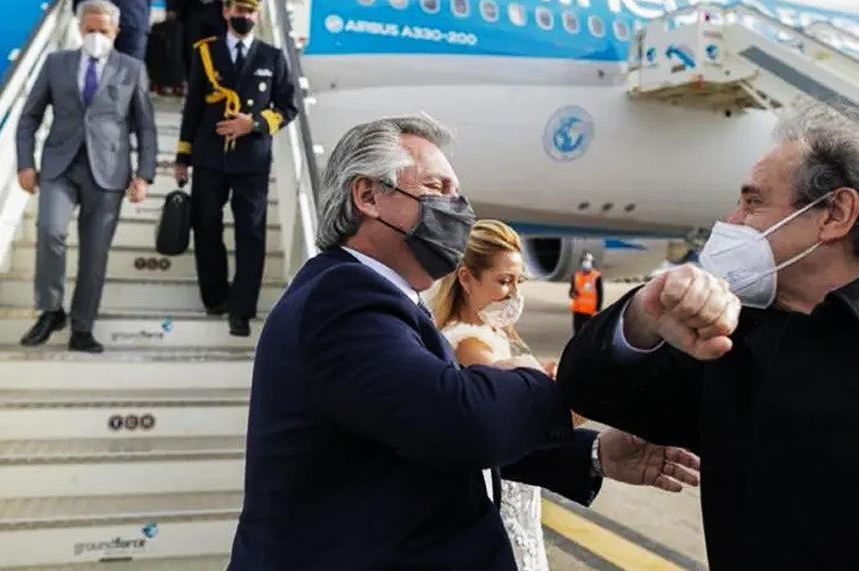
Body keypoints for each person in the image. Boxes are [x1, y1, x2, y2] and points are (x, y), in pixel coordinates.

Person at [228, 115, 701, 570]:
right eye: (437, 188)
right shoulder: (343, 297)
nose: (459, 209)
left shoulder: (377, 296)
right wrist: (547, 386)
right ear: (368, 196)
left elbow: (414, 436)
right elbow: (457, 423)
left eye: (458, 193)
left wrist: (594, 453)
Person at [558, 105, 859, 570]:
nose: (732, 220)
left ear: (835, 214)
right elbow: (590, 388)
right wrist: (643, 317)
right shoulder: (735, 335)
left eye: (753, 203)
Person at [15, 0, 157, 353]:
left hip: (108, 170)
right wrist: (25, 163)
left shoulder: (132, 68)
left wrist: (144, 175)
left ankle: (82, 326)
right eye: (90, 30)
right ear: (80, 29)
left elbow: (145, 127)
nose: (96, 36)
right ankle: (50, 309)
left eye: (103, 31)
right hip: (59, 165)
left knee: (95, 253)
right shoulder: (55, 63)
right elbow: (30, 116)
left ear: (116, 31)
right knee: (50, 231)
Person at [173, 0, 296, 337]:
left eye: (250, 10)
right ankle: (215, 297)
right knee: (206, 226)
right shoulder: (205, 52)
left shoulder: (272, 57)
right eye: (238, 9)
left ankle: (242, 309)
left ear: (258, 15)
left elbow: (288, 107)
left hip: (251, 162)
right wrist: (183, 155)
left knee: (251, 235)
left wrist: (254, 123)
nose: (244, 15)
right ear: (226, 11)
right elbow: (193, 105)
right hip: (209, 157)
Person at [430, 219, 554, 571]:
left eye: (518, 281)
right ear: (467, 278)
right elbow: (525, 408)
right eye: (503, 281)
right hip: (500, 497)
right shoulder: (468, 343)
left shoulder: (490, 332)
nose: (513, 293)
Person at [569, 252, 603, 333]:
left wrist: (598, 309)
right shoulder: (576, 276)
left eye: (588, 261)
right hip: (577, 310)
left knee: (588, 332)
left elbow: (600, 294)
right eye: (584, 261)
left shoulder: (596, 277)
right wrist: (572, 294)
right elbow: (571, 292)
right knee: (577, 332)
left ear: (592, 263)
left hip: (590, 311)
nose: (586, 263)